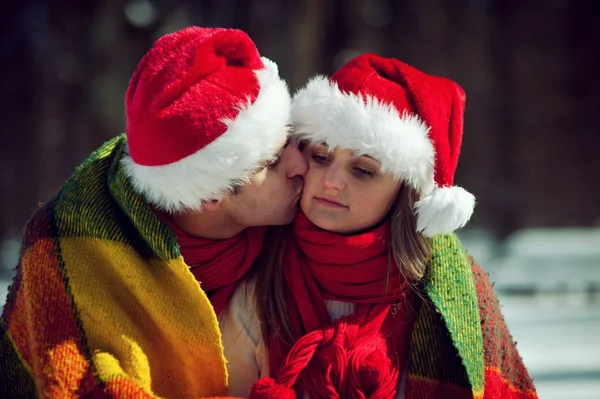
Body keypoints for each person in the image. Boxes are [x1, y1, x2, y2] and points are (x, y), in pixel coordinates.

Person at [0, 26, 307, 398]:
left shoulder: (313, 214)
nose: (301, 165)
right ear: (209, 195)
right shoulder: (69, 251)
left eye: (289, 138)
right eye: (272, 162)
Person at [220, 53, 538, 398]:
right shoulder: (257, 281)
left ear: (404, 192)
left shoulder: (448, 294)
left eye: (363, 170)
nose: (331, 182)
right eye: (321, 157)